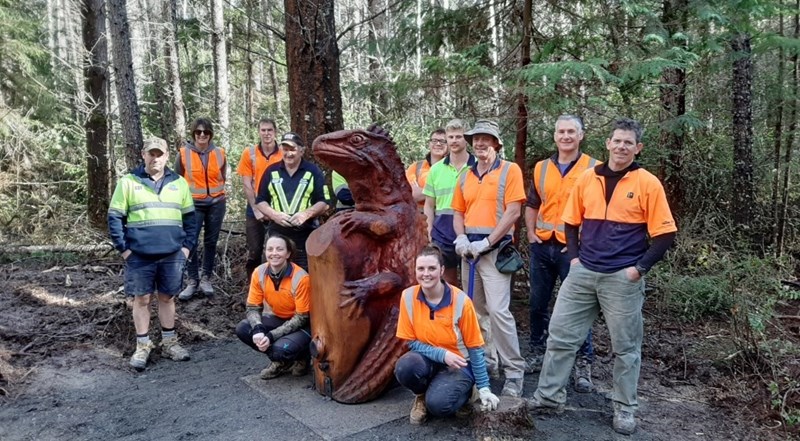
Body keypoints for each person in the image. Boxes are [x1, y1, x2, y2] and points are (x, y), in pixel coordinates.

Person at [529, 118, 677, 435]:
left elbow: (665, 234)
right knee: (560, 335)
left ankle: (624, 409)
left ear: (638, 148)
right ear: (607, 144)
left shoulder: (647, 183)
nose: (622, 147)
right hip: (583, 273)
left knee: (626, 348)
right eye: (617, 141)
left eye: (629, 143)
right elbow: (570, 221)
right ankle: (548, 396)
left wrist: (639, 269)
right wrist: (575, 258)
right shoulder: (587, 179)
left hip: (622, 279)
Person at [108, 137, 197, 371]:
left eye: (160, 154)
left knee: (167, 297)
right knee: (142, 299)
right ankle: (143, 345)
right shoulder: (128, 182)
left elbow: (190, 219)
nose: (155, 158)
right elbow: (115, 218)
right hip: (139, 254)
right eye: (151, 153)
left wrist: (186, 248)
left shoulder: (180, 183)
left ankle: (169, 343)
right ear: (143, 155)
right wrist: (125, 250)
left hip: (172, 254)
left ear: (167, 156)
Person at [451, 119, 526, 398]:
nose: (480, 143)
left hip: (495, 252)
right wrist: (461, 239)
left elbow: (513, 212)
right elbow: (458, 213)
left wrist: (488, 242)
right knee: (476, 310)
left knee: (498, 311)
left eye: (486, 138)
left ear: (496, 143)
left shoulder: (510, 171)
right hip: (469, 253)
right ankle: (488, 361)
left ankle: (514, 372)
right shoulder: (465, 175)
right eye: (476, 138)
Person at [523, 115, 598, 392]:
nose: (565, 136)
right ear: (554, 136)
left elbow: (597, 212)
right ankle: (537, 350)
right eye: (561, 131)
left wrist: (582, 243)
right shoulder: (542, 168)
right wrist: (531, 234)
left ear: (581, 135)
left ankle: (583, 363)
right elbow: (532, 203)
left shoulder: (594, 168)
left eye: (571, 131)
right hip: (543, 246)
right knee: (537, 303)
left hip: (574, 252)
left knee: (580, 308)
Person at [394, 245, 500, 425]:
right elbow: (411, 341)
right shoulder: (408, 296)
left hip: (459, 363)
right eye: (421, 268)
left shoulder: (461, 301)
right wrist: (442, 355)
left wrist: (484, 388)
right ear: (415, 270)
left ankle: (469, 392)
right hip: (430, 359)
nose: (426, 274)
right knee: (405, 367)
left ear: (442, 270)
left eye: (432, 268)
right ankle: (421, 396)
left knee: (438, 406)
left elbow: (475, 348)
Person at [235, 235, 311, 379]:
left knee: (279, 349)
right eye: (270, 249)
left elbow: (302, 318)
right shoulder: (259, 272)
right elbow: (252, 307)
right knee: (244, 328)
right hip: (279, 318)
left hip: (304, 325)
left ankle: (302, 356)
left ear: (288, 253)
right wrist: (258, 328)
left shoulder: (301, 278)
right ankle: (281, 362)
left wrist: (270, 336)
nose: (274, 253)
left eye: (279, 249)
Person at [255, 132, 331, 271]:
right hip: (277, 234)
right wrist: (275, 215)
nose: (288, 154)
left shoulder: (313, 171)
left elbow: (324, 202)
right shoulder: (271, 171)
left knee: (304, 275)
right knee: (274, 274)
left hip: (305, 234)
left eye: (292, 149)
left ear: (301, 151)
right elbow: (260, 201)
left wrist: (305, 214)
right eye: (285, 149)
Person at [176, 118, 228, 300]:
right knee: (190, 242)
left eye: (206, 132)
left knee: (211, 242)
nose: (202, 135)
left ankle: (206, 278)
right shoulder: (183, 154)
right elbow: (177, 181)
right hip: (192, 204)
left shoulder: (220, 152)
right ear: (193, 134)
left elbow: (222, 176)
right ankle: (192, 281)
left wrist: (217, 196)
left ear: (210, 134)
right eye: (198, 132)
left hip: (216, 203)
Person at [423, 119, 475, 287]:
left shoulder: (477, 167)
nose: (454, 141)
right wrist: (429, 230)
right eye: (450, 137)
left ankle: (470, 313)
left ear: (466, 139)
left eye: (458, 137)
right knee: (446, 281)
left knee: (472, 283)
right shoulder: (436, 170)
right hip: (442, 233)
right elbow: (429, 205)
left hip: (470, 231)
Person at [237, 118, 283, 279]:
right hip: (254, 207)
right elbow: (246, 183)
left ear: (275, 132)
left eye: (269, 130)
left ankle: (276, 286)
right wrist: (256, 209)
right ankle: (253, 288)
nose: (266, 133)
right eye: (263, 130)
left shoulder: (284, 152)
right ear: (259, 132)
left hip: (278, 206)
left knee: (277, 250)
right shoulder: (249, 153)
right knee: (254, 251)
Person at [406, 128, 447, 212]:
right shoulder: (416, 167)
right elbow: (412, 195)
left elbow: (451, 197)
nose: (438, 144)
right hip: (418, 218)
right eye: (434, 140)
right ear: (429, 144)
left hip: (443, 218)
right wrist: (439, 191)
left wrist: (422, 191)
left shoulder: (452, 168)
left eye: (442, 141)